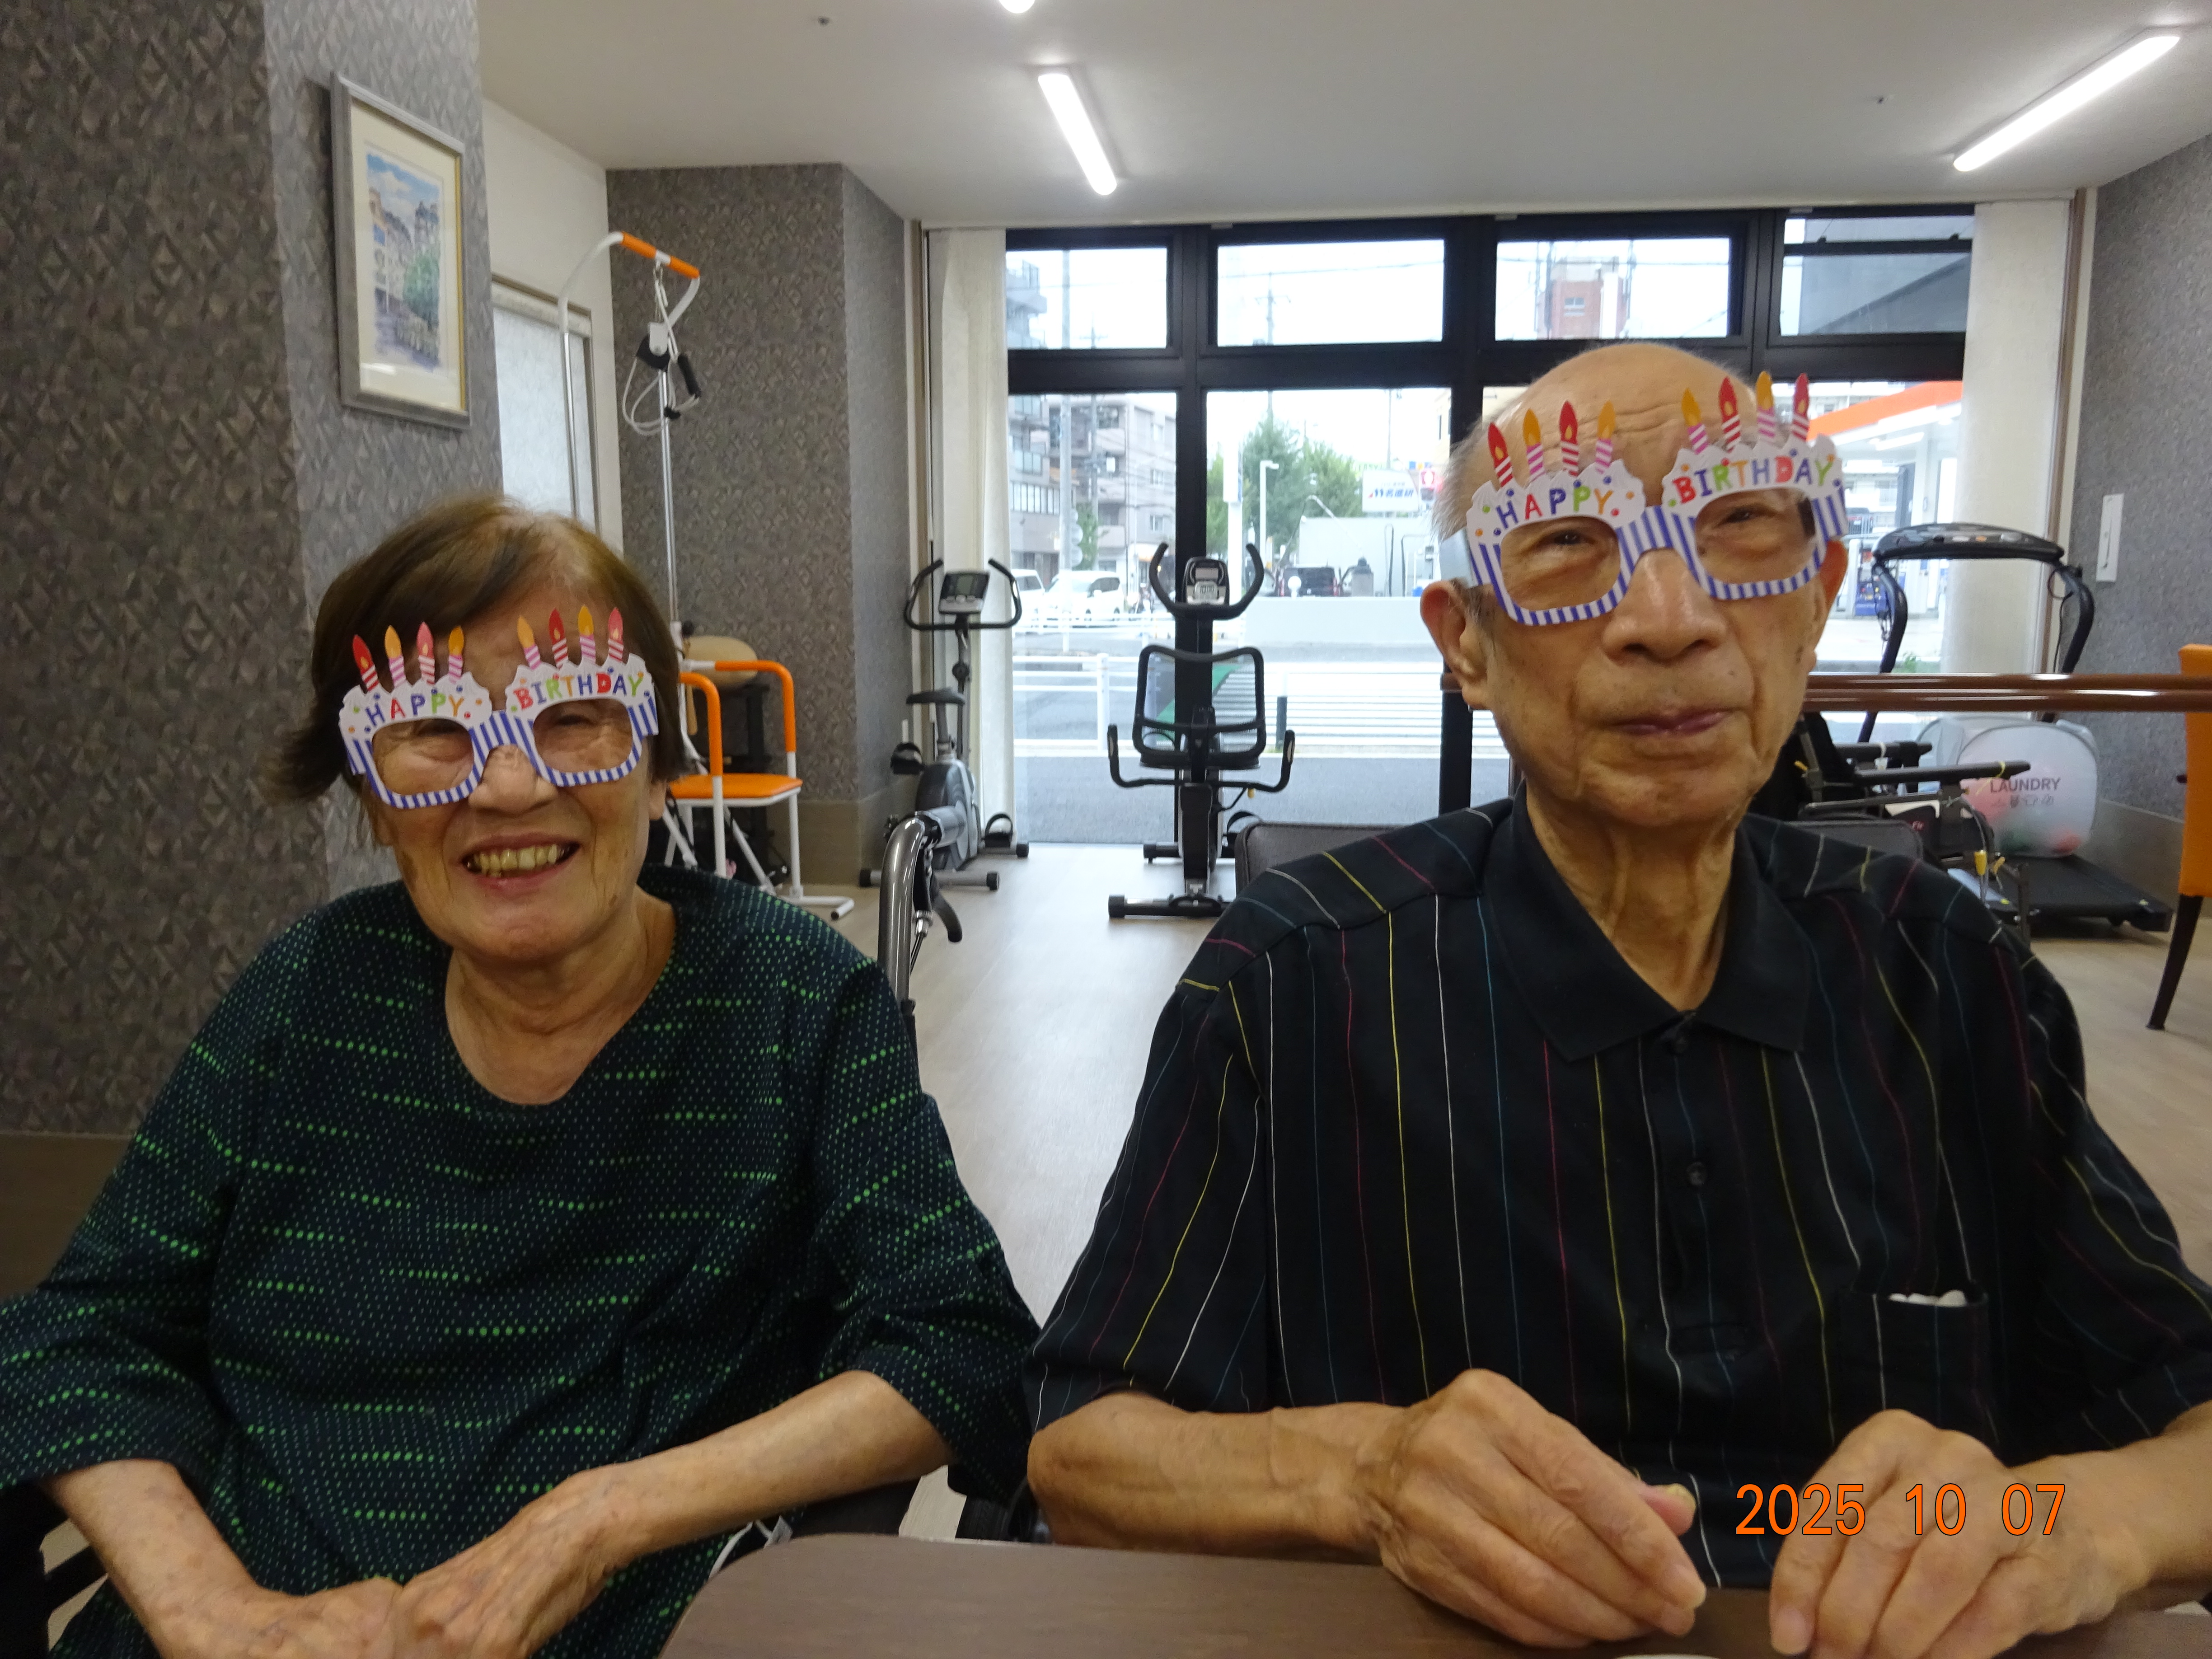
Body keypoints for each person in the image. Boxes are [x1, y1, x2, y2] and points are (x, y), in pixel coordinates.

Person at [1025, 343, 2212, 1659]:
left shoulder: (1949, 974)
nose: (1670, 617)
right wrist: (1365, 1475)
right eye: (1567, 543)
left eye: (1740, 526)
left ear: (1818, 597)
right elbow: (1081, 1449)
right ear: (1465, 643)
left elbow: (2188, 1417)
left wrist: (2073, 1525)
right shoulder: (1295, 983)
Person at [0, 496, 1038, 1658]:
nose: (504, 788)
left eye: (574, 717)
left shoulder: (790, 1008)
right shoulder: (306, 997)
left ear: (660, 768)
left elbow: (961, 1339)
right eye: (432, 730)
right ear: (372, 797)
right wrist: (214, 1617)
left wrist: (598, 1519)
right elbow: (76, 1332)